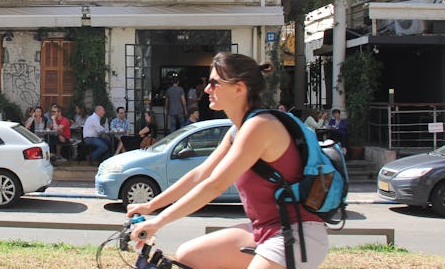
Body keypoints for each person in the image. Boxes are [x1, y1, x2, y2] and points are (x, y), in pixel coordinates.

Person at [127, 52, 330, 269]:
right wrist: (150, 205)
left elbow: (215, 184)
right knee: (189, 255)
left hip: (296, 234)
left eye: (214, 83)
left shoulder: (260, 126)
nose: (206, 89)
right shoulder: (236, 131)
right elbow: (199, 174)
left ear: (239, 89)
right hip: (264, 230)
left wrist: (159, 221)